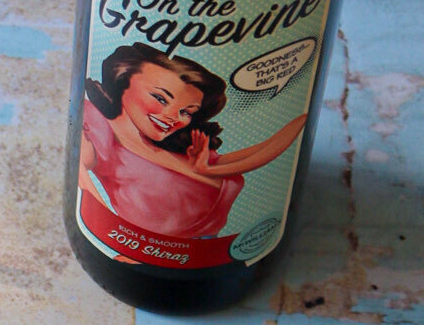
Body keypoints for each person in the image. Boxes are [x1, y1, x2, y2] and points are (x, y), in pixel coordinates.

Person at [78, 43, 308, 242]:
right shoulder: (99, 128)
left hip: (215, 251)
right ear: (122, 80)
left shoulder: (177, 149)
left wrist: (206, 168)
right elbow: (81, 175)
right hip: (139, 250)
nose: (173, 117)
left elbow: (262, 152)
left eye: (187, 112)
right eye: (160, 98)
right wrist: (113, 236)